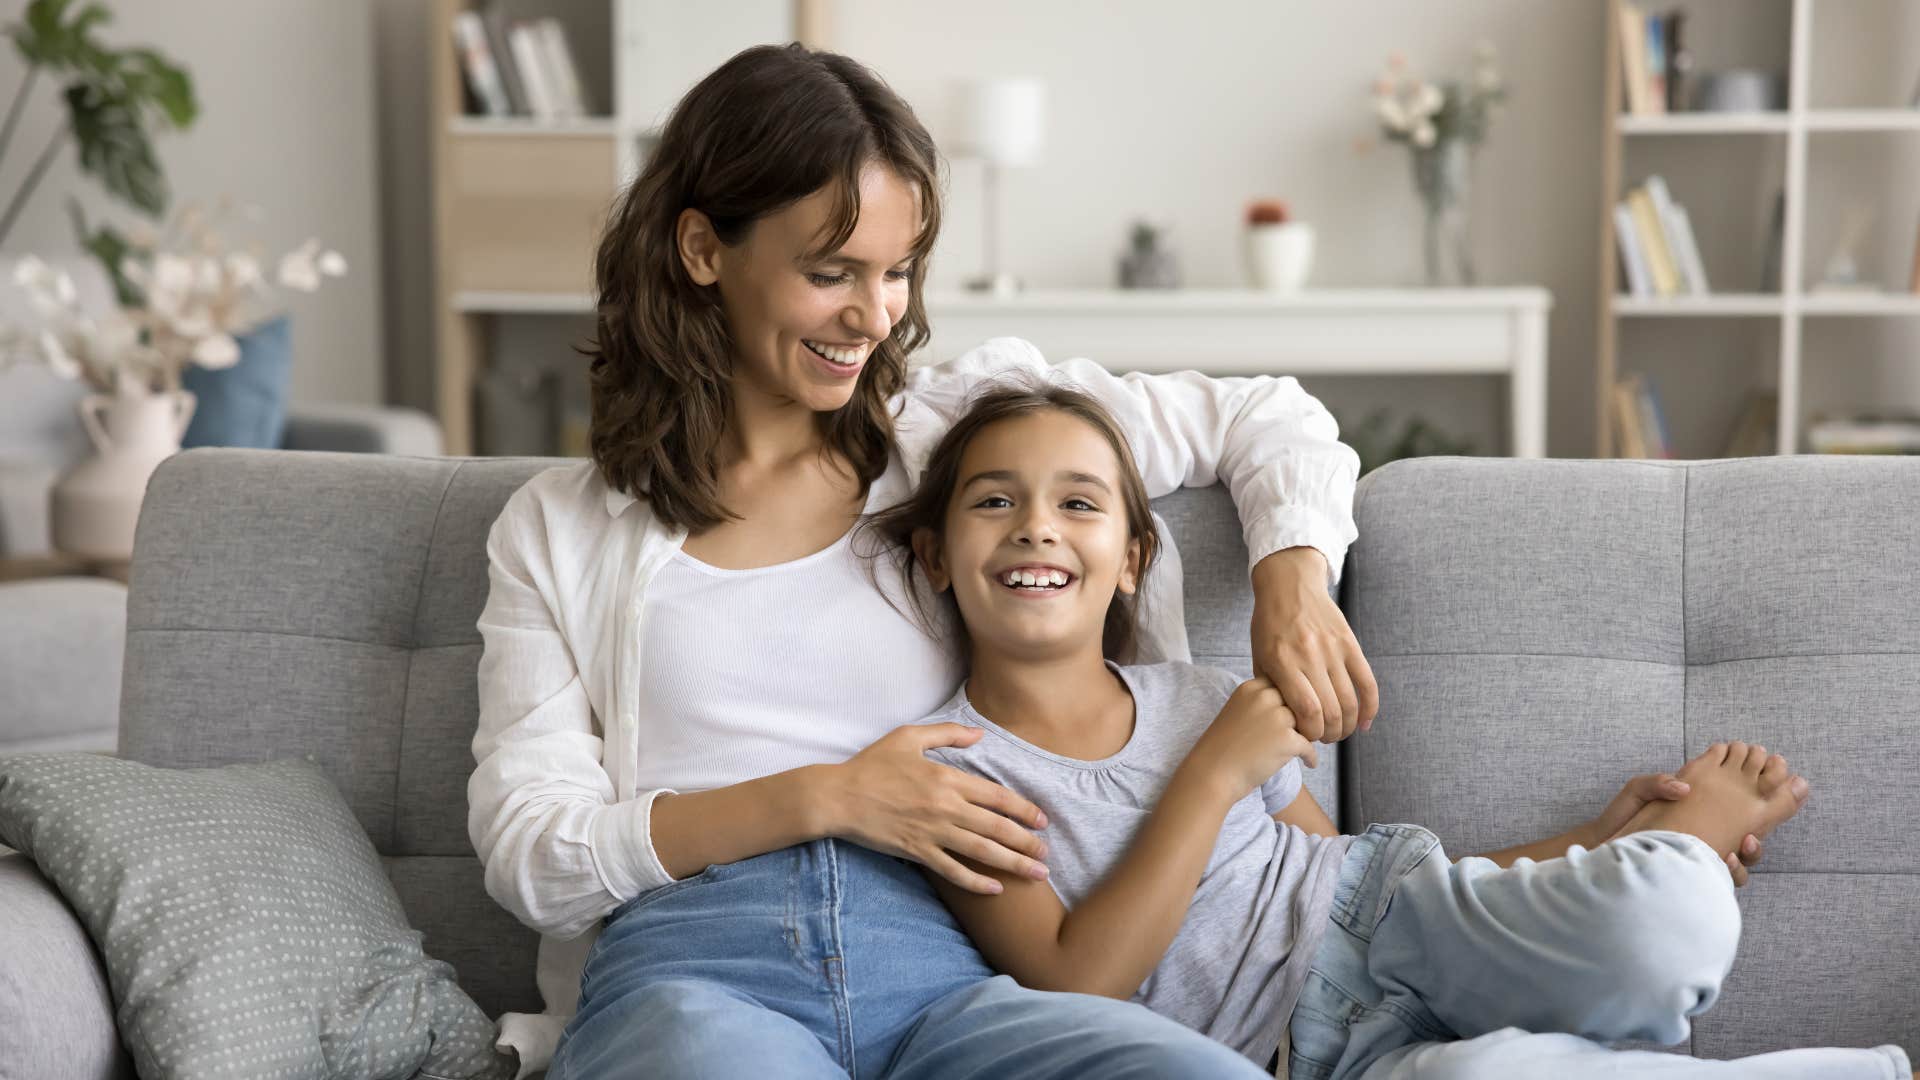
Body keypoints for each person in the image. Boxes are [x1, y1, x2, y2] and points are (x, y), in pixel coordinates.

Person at [471, 42, 1396, 1079]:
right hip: (700, 969)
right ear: (701, 248)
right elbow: (531, 854)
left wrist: (1293, 582)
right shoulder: (561, 530)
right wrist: (826, 796)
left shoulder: (954, 445)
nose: (877, 318)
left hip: (945, 973)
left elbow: (1266, 417)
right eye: (831, 274)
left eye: (897, 271)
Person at [876, 380, 1914, 1079]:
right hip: (1328, 1060)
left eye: (1079, 503)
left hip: (1403, 925)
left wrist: (1589, 845)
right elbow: (1074, 983)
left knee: (1661, 916)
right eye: (995, 501)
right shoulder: (956, 771)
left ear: (1133, 559)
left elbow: (1349, 878)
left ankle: (1668, 857)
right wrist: (1210, 781)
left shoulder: (1196, 696)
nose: (1037, 526)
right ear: (932, 555)